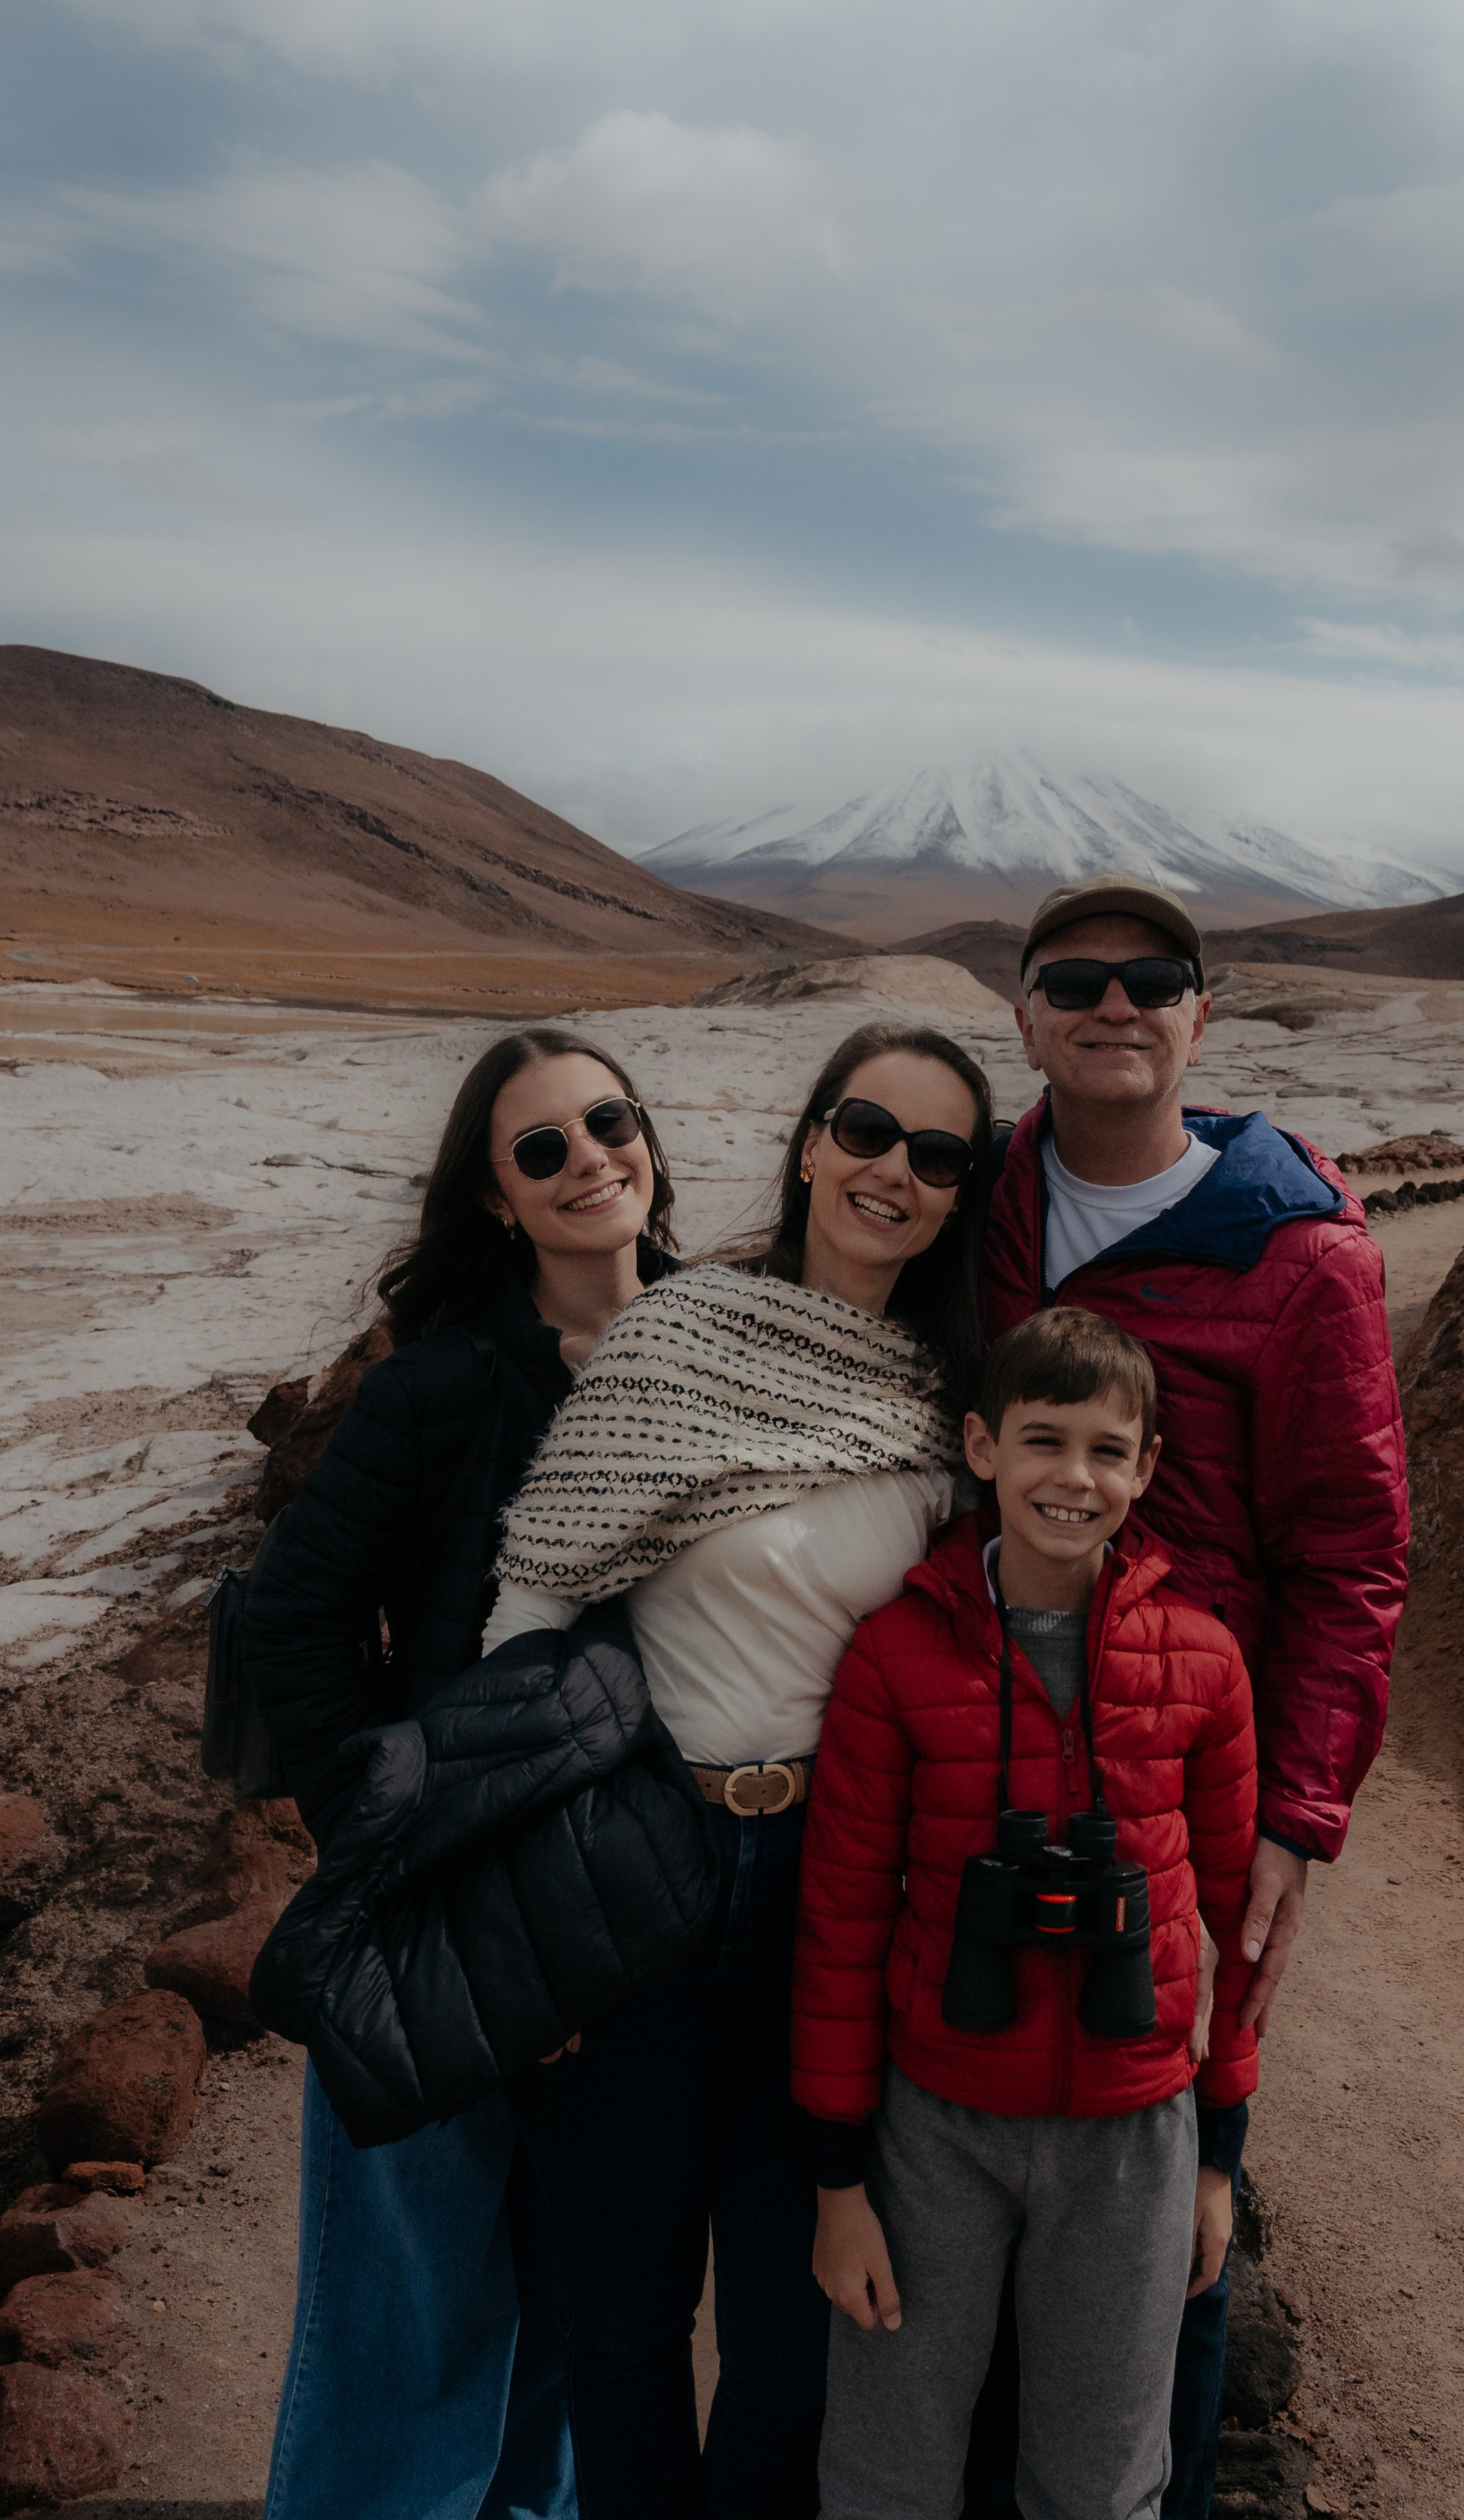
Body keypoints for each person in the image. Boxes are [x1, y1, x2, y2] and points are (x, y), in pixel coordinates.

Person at [478, 1021, 996, 2520]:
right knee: (624, 2314)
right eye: (867, 1130)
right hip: (646, 1863)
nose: (893, 1171)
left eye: (937, 1154)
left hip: (833, 1896)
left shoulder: (945, 1401)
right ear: (811, 1142)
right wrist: (531, 1891)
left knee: (790, 2325)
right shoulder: (675, 1334)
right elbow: (527, 1614)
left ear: (959, 1195)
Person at [974, 874, 1408, 2516]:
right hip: (978, 1731)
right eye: (1076, 978)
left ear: (1199, 1017)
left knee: (1179, 2161)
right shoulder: (980, 1196)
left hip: (1183, 1771)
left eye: (1152, 979)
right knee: (973, 2114)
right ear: (1024, 1019)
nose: (1115, 1003)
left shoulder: (1298, 1257)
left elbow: (1353, 1552)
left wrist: (1296, 1812)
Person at [243, 1026, 682, 2520]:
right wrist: (383, 1832)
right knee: (407, 2331)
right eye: (541, 1148)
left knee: (572, 2318)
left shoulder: (722, 1354)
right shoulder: (436, 1389)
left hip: (630, 1921)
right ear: (495, 1197)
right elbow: (296, 1617)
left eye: (607, 1122)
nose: (588, 1161)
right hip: (440, 1914)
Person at [794, 1307, 1258, 2520]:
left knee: (1102, 2481)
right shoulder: (896, 1657)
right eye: (1044, 1439)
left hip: (1134, 2131)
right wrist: (839, 2183)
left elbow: (1243, 1933)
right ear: (981, 1446)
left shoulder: (1203, 1661)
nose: (1074, 1477)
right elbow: (840, 1927)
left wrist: (1219, 2156)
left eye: (1108, 1450)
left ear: (1148, 1467)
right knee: (887, 2466)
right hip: (933, 2125)